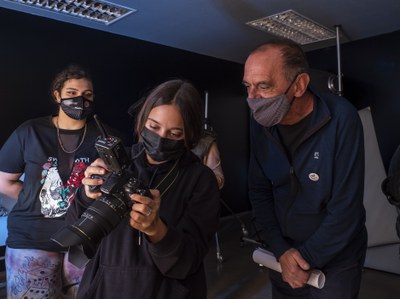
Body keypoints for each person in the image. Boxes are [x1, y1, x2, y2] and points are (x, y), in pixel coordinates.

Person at [66, 79, 220, 299]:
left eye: (175, 134)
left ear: (190, 134)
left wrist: (156, 229)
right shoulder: (115, 161)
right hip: (106, 287)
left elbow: (189, 259)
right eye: (154, 127)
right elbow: (75, 231)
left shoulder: (200, 179)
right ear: (142, 120)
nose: (160, 139)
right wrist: (86, 195)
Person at [242, 39, 367, 298]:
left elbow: (346, 208)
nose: (252, 99)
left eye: (263, 86)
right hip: (284, 252)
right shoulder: (261, 123)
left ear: (299, 85)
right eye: (248, 87)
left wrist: (303, 258)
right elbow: (259, 191)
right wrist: (281, 250)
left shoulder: (342, 118)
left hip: (336, 257)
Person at [0, 65, 104, 298]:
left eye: (87, 95)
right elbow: (4, 181)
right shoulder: (30, 131)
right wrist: (37, 198)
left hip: (82, 240)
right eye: (71, 93)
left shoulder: (104, 137)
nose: (80, 99)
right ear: (57, 95)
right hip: (31, 239)